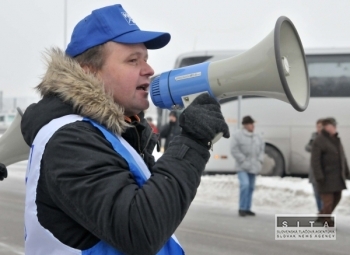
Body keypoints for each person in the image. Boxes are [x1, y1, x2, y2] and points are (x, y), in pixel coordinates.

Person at [20, 4, 229, 255]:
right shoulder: (68, 140)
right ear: (90, 73)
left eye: (146, 59)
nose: (149, 70)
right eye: (132, 60)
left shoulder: (111, 133)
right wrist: (193, 141)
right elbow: (139, 229)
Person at [311, 118, 350, 226]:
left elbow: (343, 157)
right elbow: (315, 161)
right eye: (332, 125)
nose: (335, 127)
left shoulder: (336, 139)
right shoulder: (319, 140)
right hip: (325, 177)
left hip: (337, 177)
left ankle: (322, 215)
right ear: (326, 127)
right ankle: (327, 221)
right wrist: (319, 176)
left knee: (337, 197)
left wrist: (347, 171)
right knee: (328, 202)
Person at [230, 116, 265, 217]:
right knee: (245, 185)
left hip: (254, 166)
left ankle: (247, 208)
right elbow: (234, 150)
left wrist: (260, 161)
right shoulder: (238, 135)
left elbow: (262, 149)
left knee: (251, 187)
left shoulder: (257, 136)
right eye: (251, 124)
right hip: (242, 166)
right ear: (245, 125)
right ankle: (242, 208)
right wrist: (243, 160)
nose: (253, 126)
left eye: (253, 124)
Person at [305, 119, 323, 213]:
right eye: (317, 126)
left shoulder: (327, 138)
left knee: (323, 194)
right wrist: (314, 146)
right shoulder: (314, 136)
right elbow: (307, 147)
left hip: (324, 171)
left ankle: (324, 214)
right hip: (314, 170)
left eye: (320, 126)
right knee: (316, 194)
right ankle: (320, 211)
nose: (318, 128)